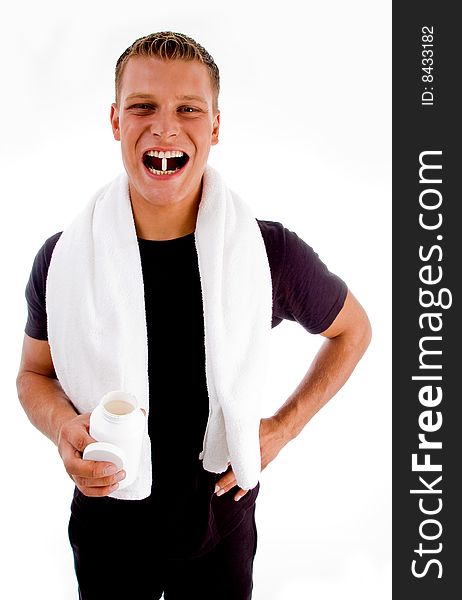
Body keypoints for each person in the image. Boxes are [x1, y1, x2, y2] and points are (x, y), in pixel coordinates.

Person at [16, 31, 371, 600]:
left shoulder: (266, 253)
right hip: (106, 529)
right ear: (114, 120)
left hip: (220, 533)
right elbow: (33, 376)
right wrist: (63, 427)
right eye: (143, 107)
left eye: (188, 109)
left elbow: (354, 330)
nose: (164, 128)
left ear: (215, 126)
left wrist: (280, 430)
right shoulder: (62, 260)